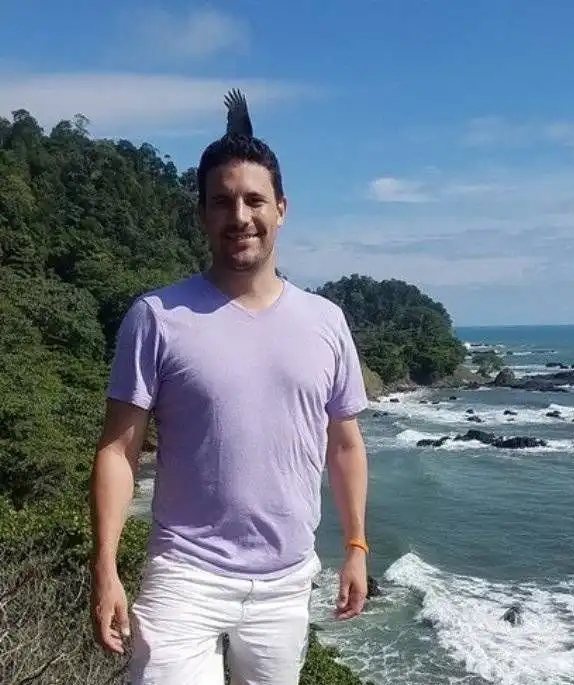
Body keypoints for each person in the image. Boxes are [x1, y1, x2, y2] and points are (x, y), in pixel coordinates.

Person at [89, 90, 370, 685]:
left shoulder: (326, 322)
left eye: (254, 200)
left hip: (286, 582)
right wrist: (105, 566)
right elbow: (118, 449)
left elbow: (344, 444)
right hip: (183, 574)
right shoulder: (157, 317)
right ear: (202, 215)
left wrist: (356, 546)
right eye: (222, 201)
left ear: (282, 209)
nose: (239, 216)